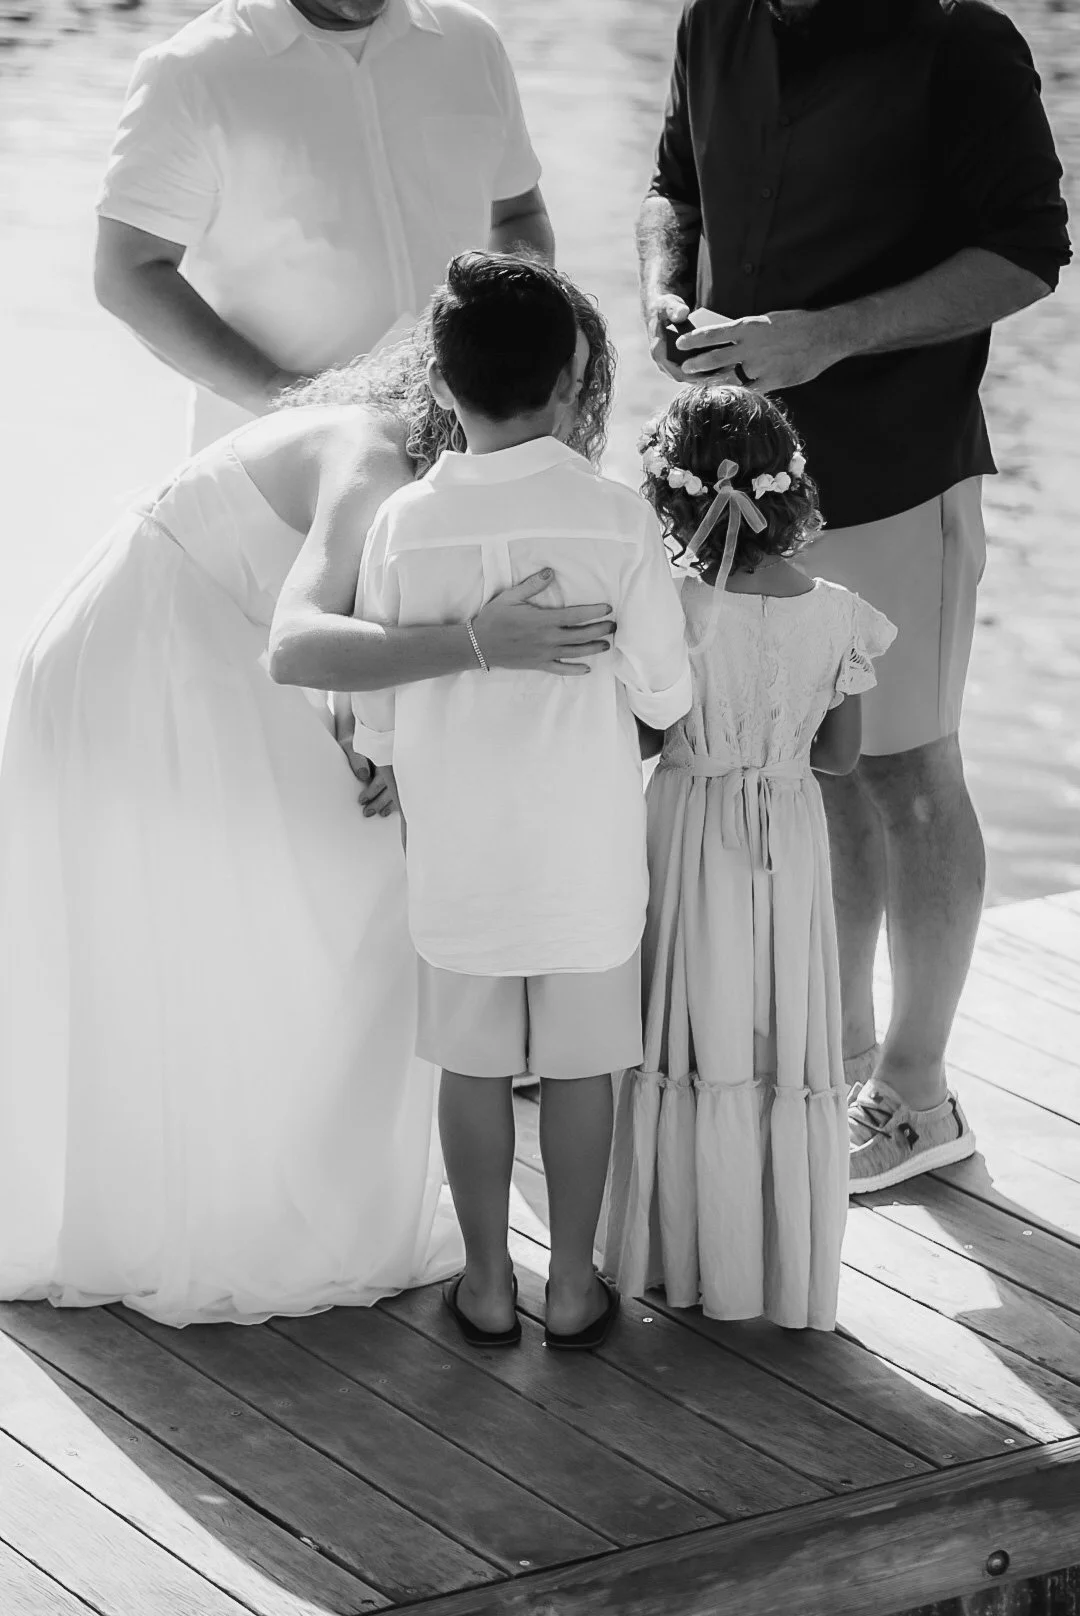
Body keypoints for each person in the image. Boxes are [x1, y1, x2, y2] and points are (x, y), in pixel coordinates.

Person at [0, 290, 617, 1327]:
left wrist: (382, 741)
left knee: (346, 879)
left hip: (209, 653)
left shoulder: (438, 489)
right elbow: (297, 642)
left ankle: (257, 1195)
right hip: (149, 654)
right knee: (349, 886)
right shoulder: (372, 458)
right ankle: (263, 1209)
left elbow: (356, 642)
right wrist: (484, 642)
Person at [640, 0, 1071, 1192]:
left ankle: (920, 1097)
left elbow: (1029, 252)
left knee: (908, 774)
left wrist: (830, 336)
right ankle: (844, 1058)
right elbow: (671, 189)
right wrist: (665, 292)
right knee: (817, 766)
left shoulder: (962, 40)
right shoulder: (713, 20)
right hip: (745, 482)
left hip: (898, 466)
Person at [349, 253, 692, 1350]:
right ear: (573, 380)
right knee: (586, 1064)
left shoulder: (404, 522)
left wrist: (384, 754)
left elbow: (381, 701)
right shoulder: (615, 518)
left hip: (460, 847)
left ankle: (490, 1283)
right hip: (585, 845)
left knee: (474, 1064)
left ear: (438, 385)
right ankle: (576, 1285)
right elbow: (666, 690)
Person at [602, 386, 894, 1330]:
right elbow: (840, 757)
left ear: (669, 492)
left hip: (688, 824)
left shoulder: (675, 607)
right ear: (792, 485)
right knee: (775, 1027)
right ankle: (773, 1265)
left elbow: (648, 735)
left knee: (689, 1020)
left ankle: (679, 1256)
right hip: (790, 835)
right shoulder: (841, 613)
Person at [93, 0, 553, 452]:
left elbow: (517, 215)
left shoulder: (471, 42)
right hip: (272, 464)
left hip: (455, 454)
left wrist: (506, 351)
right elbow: (128, 272)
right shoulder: (191, 69)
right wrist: (283, 397)